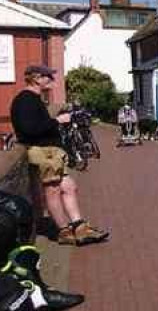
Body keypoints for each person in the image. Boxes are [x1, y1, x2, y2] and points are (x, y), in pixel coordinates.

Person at [9, 65, 109, 246]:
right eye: (48, 76)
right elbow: (28, 130)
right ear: (36, 78)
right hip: (43, 152)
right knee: (53, 190)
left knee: (69, 187)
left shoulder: (34, 99)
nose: (51, 80)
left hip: (51, 152)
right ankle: (64, 232)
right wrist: (57, 120)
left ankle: (79, 227)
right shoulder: (25, 100)